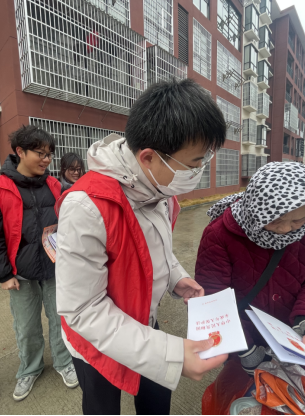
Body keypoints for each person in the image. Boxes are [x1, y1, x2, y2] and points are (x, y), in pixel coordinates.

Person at [55, 78, 229, 416]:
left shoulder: (158, 188)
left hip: (144, 322)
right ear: (148, 157)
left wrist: (176, 277)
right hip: (95, 339)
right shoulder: (86, 206)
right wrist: (171, 355)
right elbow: (82, 310)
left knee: (156, 403)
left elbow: (154, 248)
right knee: (102, 408)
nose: (198, 172)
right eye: (193, 164)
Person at [195, 162, 305, 377]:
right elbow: (212, 297)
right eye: (276, 219)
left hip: (293, 339)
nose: (285, 229)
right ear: (257, 208)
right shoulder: (220, 233)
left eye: (297, 220)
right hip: (244, 341)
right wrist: (244, 348)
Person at [0, 125, 78, 403]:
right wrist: (3, 274)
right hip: (19, 274)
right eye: (40, 153)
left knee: (61, 319)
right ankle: (30, 368)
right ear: (20, 152)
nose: (46, 159)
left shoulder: (55, 186)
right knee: (26, 326)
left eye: (49, 154)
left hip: (55, 268)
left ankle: (64, 362)